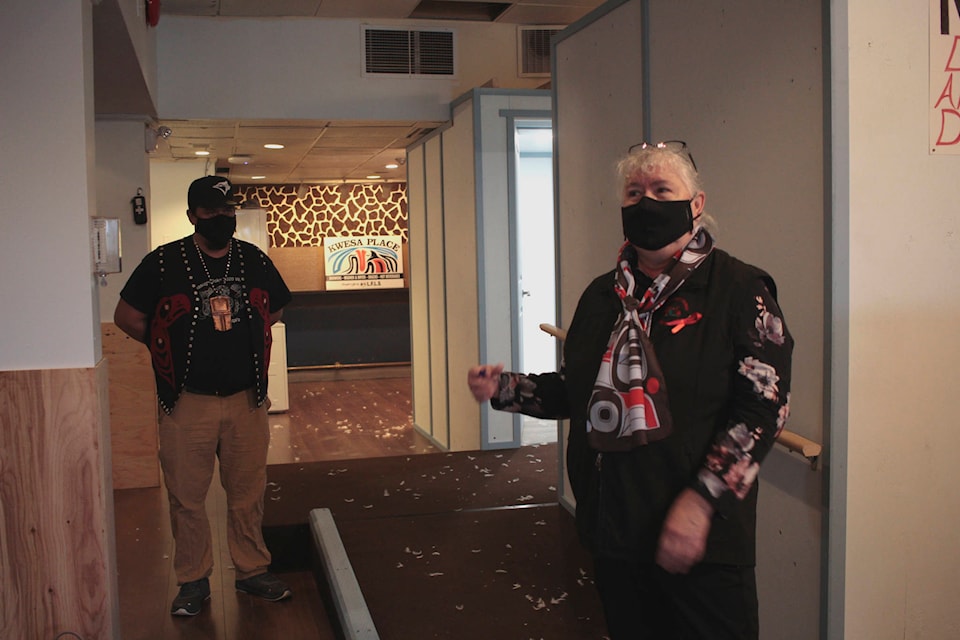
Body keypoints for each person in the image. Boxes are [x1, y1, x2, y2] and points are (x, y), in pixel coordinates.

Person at [467, 141, 792, 639]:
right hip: (615, 531)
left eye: (662, 190)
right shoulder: (603, 296)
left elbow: (762, 410)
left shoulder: (740, 289)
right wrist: (508, 389)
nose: (647, 203)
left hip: (700, 538)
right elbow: (580, 392)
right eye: (634, 192)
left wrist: (700, 501)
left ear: (696, 204)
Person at [114, 175, 293, 616]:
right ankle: (194, 581)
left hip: (246, 400)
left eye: (228, 211)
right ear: (193, 215)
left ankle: (252, 570)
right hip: (187, 401)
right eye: (211, 212)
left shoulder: (252, 258)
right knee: (187, 498)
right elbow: (127, 316)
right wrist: (164, 347)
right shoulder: (163, 262)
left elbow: (278, 306)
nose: (221, 218)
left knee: (248, 492)